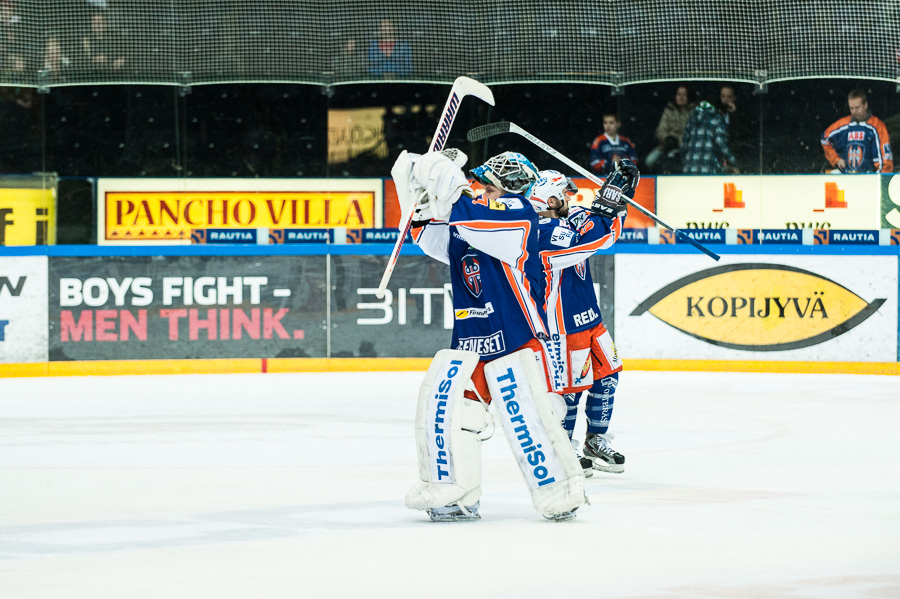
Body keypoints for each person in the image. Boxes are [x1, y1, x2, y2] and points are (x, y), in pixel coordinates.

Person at [392, 149, 587, 522]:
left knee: (528, 416)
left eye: (486, 185)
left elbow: (474, 220)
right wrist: (420, 193)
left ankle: (562, 490)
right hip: (472, 340)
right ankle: (457, 490)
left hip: (517, 337)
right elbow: (430, 235)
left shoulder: (520, 215)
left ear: (506, 187)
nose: (480, 190)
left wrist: (450, 183)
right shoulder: (471, 219)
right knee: (450, 411)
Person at [529, 165, 633, 475]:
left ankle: (594, 440)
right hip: (561, 323)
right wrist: (604, 208)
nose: (570, 199)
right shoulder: (538, 230)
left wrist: (617, 201)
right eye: (564, 194)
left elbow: (608, 233)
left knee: (609, 375)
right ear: (549, 200)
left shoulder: (570, 216)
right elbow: (588, 240)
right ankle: (565, 447)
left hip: (590, 315)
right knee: (569, 391)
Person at [821, 88, 893, 173]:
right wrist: (836, 159)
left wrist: (878, 179)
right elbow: (824, 139)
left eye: (857, 108)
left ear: (865, 105)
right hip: (847, 178)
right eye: (851, 108)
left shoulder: (877, 126)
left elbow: (886, 161)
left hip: (869, 179)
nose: (854, 111)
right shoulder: (842, 125)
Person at [644, 84, 695, 174]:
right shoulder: (669, 109)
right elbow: (661, 129)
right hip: (666, 145)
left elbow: (694, 133)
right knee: (649, 161)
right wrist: (667, 139)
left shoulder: (694, 111)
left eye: (684, 95)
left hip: (686, 148)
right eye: (679, 94)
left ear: (688, 97)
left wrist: (678, 141)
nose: (681, 97)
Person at [681, 100, 738, 174]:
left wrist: (687, 163)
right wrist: (734, 162)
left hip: (689, 171)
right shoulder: (717, 119)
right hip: (709, 170)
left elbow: (683, 146)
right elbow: (722, 144)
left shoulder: (691, 120)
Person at [589, 112, 638, 176]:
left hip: (624, 178)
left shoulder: (626, 141)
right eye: (605, 123)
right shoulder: (599, 140)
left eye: (611, 123)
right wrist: (610, 163)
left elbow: (634, 160)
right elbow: (594, 162)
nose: (608, 126)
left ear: (618, 124)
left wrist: (622, 163)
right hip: (604, 178)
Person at [718, 84, 753, 169]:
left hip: (735, 152)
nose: (725, 100)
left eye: (728, 97)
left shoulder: (741, 114)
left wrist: (735, 113)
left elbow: (742, 133)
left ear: (734, 98)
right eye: (723, 96)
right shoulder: (715, 113)